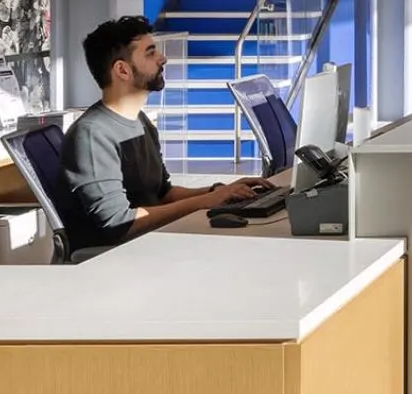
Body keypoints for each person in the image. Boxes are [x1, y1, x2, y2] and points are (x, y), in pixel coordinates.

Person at [63, 16, 264, 250]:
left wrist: (219, 191)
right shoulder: (92, 135)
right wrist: (204, 202)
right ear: (122, 70)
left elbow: (162, 194)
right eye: (150, 53)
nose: (163, 58)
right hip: (116, 260)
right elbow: (118, 223)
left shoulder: (140, 120)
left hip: (151, 243)